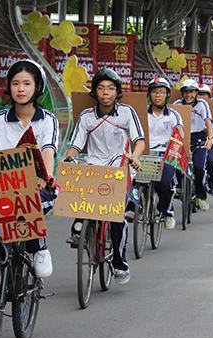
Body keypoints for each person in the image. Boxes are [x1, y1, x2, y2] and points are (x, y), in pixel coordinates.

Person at [0, 59, 59, 278]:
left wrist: (46, 176)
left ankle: (38, 247)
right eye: (15, 83)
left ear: (37, 87)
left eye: (27, 83)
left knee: (31, 205)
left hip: (37, 187)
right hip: (0, 187)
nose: (20, 89)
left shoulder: (47, 120)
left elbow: (48, 150)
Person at [65, 68, 145, 285]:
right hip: (94, 166)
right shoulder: (87, 117)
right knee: (80, 198)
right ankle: (81, 229)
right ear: (95, 92)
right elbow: (76, 144)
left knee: (116, 217)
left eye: (110, 88)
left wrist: (135, 157)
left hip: (120, 165)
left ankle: (120, 263)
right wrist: (69, 158)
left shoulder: (127, 113)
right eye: (101, 88)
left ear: (117, 92)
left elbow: (139, 140)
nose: (105, 93)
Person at [143, 77, 184, 229]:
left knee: (165, 183)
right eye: (154, 92)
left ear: (167, 95)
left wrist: (169, 153)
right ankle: (134, 207)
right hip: (145, 154)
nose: (157, 95)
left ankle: (166, 211)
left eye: (161, 92)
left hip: (166, 154)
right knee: (134, 182)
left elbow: (180, 135)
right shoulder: (142, 114)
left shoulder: (173, 115)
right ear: (149, 95)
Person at [174, 79, 213, 211]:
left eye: (191, 92)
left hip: (199, 138)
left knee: (199, 167)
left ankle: (200, 196)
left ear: (196, 93)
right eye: (185, 92)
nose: (188, 95)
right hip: (182, 138)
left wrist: (210, 138)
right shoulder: (177, 104)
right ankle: (179, 186)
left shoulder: (202, 104)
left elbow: (208, 121)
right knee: (177, 165)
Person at [198, 84, 213, 195]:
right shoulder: (190, 106)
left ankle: (212, 182)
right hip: (194, 140)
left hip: (210, 139)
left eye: (204, 94)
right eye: (199, 94)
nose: (201, 96)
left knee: (211, 161)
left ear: (209, 96)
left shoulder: (212, 108)